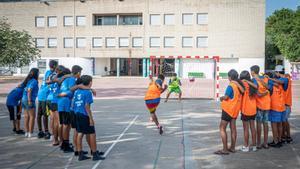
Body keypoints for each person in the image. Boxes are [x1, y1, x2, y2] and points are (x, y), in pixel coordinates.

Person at [73, 75, 105, 161]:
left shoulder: (77, 91)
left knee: (80, 133)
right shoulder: (87, 93)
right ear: (90, 82)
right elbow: (87, 106)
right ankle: (94, 154)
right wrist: (90, 118)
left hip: (77, 113)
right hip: (84, 114)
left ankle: (80, 154)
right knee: (92, 134)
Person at [215, 69, 245, 155]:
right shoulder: (238, 86)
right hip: (235, 110)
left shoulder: (231, 85)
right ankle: (232, 147)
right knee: (233, 129)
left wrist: (221, 98)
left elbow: (226, 97)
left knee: (222, 128)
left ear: (230, 77)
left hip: (228, 110)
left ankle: (225, 149)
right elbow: (243, 91)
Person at [267, 65, 288, 148]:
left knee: (274, 125)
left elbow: (268, 87)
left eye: (276, 72)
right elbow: (279, 82)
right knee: (279, 124)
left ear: (278, 72)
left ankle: (276, 141)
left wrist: (268, 79)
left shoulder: (282, 80)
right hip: (282, 106)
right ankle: (279, 140)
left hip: (275, 107)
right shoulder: (284, 80)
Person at [250, 65, 271, 149]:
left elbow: (257, 93)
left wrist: (262, 94)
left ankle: (258, 143)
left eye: (251, 71)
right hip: (267, 104)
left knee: (259, 123)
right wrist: (265, 93)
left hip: (259, 104)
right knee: (265, 123)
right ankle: (265, 143)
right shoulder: (265, 78)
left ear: (253, 72)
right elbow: (269, 87)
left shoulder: (254, 80)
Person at [37, 60, 58, 139]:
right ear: (55, 66)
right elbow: (48, 81)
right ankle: (46, 132)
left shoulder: (47, 71)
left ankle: (40, 131)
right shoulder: (52, 73)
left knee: (39, 114)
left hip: (41, 93)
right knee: (45, 114)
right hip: (45, 95)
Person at [239, 70, 258, 152]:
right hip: (253, 109)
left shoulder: (242, 84)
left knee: (246, 129)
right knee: (253, 128)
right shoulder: (252, 84)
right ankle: (254, 146)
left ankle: (246, 146)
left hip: (245, 109)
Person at [47, 65, 64, 146]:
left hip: (52, 101)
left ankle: (55, 139)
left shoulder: (53, 79)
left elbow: (48, 82)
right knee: (58, 123)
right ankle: (61, 140)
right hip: (57, 101)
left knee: (53, 122)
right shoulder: (59, 80)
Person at [22, 68, 39, 138]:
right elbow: (29, 90)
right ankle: (30, 132)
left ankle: (26, 132)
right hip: (29, 100)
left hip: (23, 99)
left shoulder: (28, 80)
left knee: (26, 116)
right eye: (38, 72)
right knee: (32, 116)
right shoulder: (34, 81)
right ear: (36, 73)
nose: (38, 73)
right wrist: (29, 101)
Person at [283, 73, 293, 143]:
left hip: (286, 104)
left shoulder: (287, 81)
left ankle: (288, 136)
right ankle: (285, 135)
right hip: (286, 104)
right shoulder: (288, 82)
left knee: (285, 121)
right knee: (284, 121)